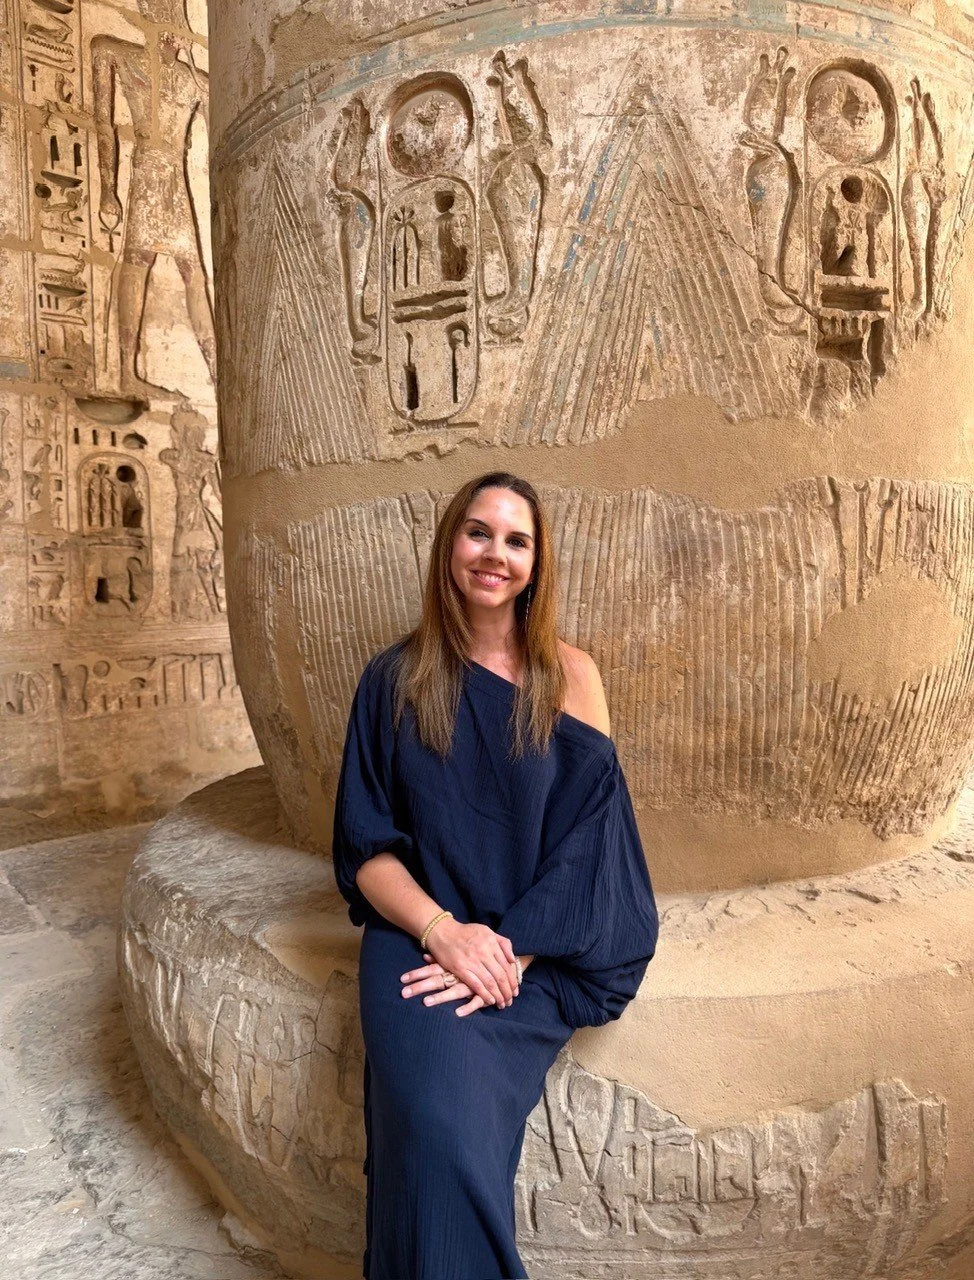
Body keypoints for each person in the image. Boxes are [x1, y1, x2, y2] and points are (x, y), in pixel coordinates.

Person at [332, 470, 659, 1280]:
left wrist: (511, 949)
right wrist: (443, 934)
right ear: (450, 546)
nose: (496, 554)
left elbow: (594, 843)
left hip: (532, 955)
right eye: (479, 532)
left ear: (537, 563)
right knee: (433, 1123)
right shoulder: (394, 679)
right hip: (417, 942)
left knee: (452, 1131)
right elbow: (366, 848)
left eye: (517, 540)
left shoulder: (572, 678)